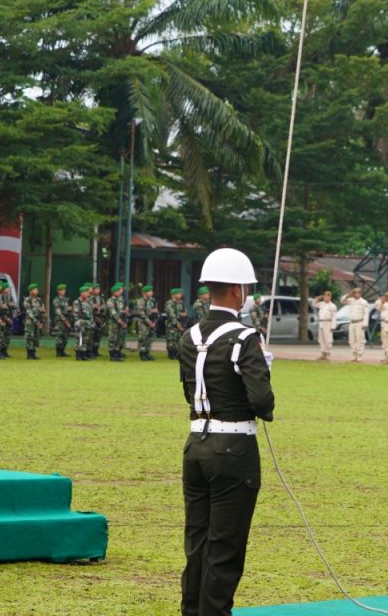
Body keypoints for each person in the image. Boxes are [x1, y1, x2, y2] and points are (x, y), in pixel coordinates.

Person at [178, 247, 274, 616]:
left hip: (196, 445)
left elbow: (190, 391)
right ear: (237, 290)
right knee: (225, 547)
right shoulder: (245, 336)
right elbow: (262, 402)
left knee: (197, 542)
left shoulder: (189, 336)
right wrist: (262, 371)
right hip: (233, 448)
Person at [342, 288, 368, 362]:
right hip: (352, 322)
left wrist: (365, 323)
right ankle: (353, 355)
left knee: (359, 340)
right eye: (354, 293)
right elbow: (342, 300)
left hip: (359, 322)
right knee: (352, 340)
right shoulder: (351, 300)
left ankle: (359, 355)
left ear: (360, 293)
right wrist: (349, 294)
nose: (356, 294)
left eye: (357, 293)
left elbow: (366, 313)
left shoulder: (363, 302)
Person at [134, 285, 159, 361]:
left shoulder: (153, 300)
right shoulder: (141, 301)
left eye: (151, 291)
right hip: (143, 323)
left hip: (152, 322)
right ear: (144, 293)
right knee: (143, 338)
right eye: (149, 291)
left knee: (150, 338)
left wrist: (154, 322)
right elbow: (141, 313)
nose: (151, 292)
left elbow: (156, 311)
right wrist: (149, 322)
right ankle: (142, 353)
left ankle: (147, 353)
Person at [312, 290, 337, 360]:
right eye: (325, 296)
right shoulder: (321, 304)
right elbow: (314, 303)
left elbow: (334, 317)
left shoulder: (332, 306)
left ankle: (327, 353)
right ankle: (322, 353)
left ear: (330, 297)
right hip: (321, 322)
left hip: (328, 323)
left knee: (328, 339)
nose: (326, 298)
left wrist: (333, 326)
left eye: (328, 297)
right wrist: (319, 297)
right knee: (321, 339)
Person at [107, 282, 129, 362]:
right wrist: (120, 321)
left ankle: (116, 354)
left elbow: (122, 311)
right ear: (115, 291)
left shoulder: (121, 300)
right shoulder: (110, 300)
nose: (121, 291)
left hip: (121, 322)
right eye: (119, 290)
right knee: (113, 338)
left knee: (119, 339)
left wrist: (125, 312)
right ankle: (112, 355)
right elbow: (113, 313)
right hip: (114, 322)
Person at [22, 282, 44, 360]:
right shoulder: (27, 300)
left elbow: (42, 310)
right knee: (30, 337)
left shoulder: (39, 300)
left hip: (38, 321)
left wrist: (41, 321)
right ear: (30, 291)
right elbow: (29, 312)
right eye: (34, 289)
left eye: (37, 289)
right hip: (30, 322)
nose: (36, 291)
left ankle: (34, 353)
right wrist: (35, 321)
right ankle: (29, 354)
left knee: (36, 337)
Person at [165, 287, 187, 360]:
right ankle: (171, 353)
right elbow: (171, 314)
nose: (180, 295)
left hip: (181, 324)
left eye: (180, 293)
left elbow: (185, 314)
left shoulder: (182, 303)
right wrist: (177, 323)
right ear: (173, 295)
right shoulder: (169, 303)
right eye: (178, 293)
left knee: (178, 339)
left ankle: (177, 353)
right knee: (171, 339)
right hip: (172, 325)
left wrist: (182, 323)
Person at [53, 284, 72, 357]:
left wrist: (69, 309)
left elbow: (67, 309)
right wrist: (64, 320)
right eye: (62, 290)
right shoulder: (56, 300)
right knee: (59, 336)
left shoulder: (66, 299)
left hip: (67, 319)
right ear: (58, 291)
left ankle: (62, 350)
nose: (63, 292)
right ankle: (58, 352)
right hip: (60, 320)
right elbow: (58, 312)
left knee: (65, 336)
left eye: (64, 290)